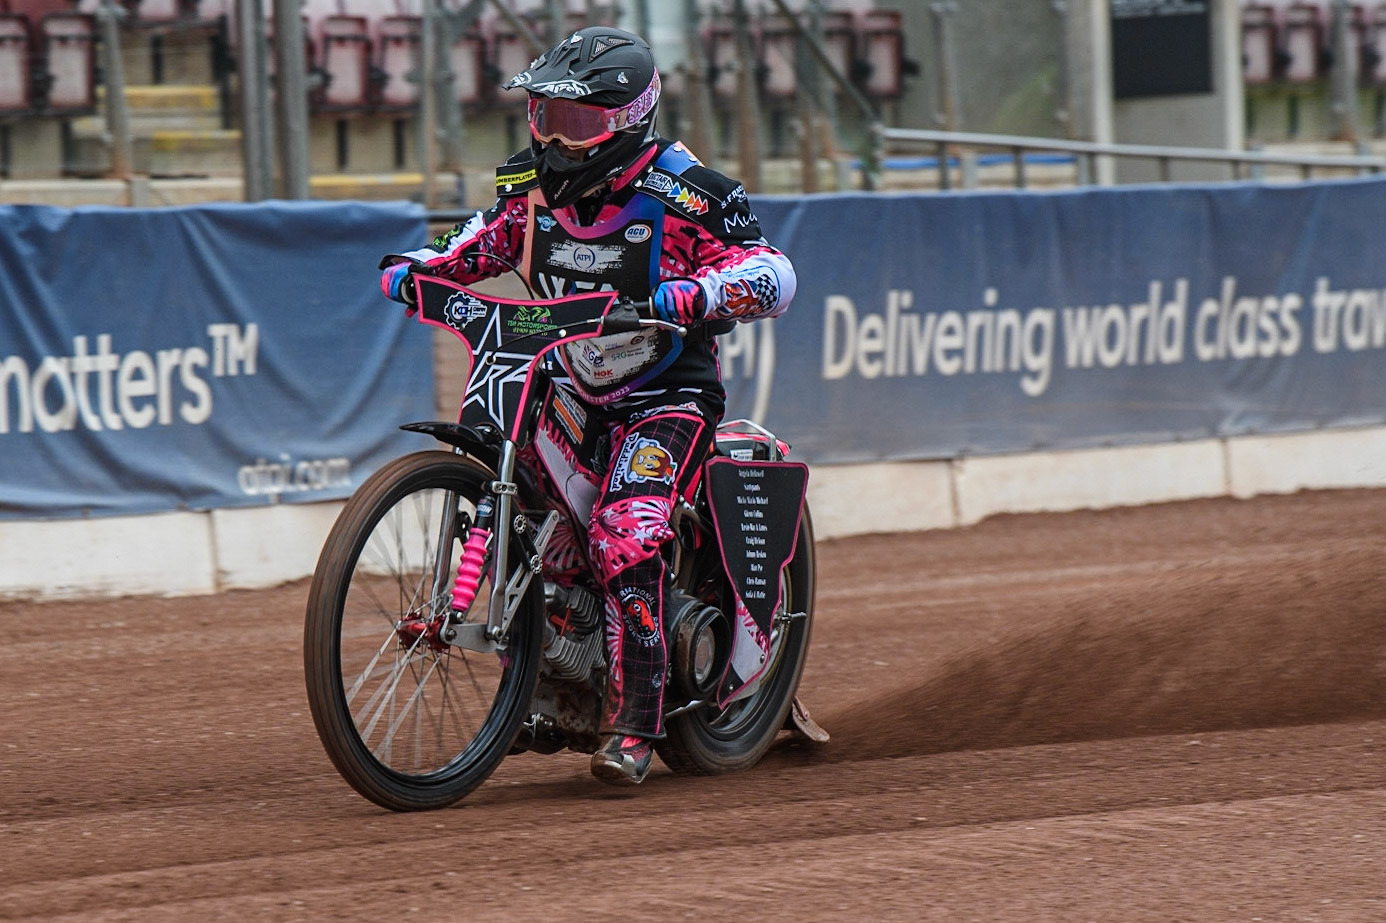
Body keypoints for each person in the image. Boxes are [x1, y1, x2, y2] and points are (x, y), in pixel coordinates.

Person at [379, 26, 796, 786]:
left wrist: (692, 292)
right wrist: (413, 269)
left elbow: (773, 270)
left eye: (579, 125)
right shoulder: (527, 193)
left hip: (668, 394)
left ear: (629, 118)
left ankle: (636, 721)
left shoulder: (688, 190)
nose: (561, 143)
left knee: (622, 530)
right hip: (572, 382)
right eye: (546, 120)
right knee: (530, 506)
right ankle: (537, 679)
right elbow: (474, 242)